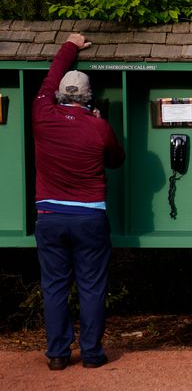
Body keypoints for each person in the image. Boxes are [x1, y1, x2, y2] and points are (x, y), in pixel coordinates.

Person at [32, 33, 125, 371]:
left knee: (54, 287)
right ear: (89, 97)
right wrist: (99, 122)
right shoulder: (99, 127)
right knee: (91, 286)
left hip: (50, 215)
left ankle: (57, 355)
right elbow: (117, 159)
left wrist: (70, 45)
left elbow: (50, 76)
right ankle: (91, 353)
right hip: (89, 217)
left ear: (58, 96)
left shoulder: (42, 111)